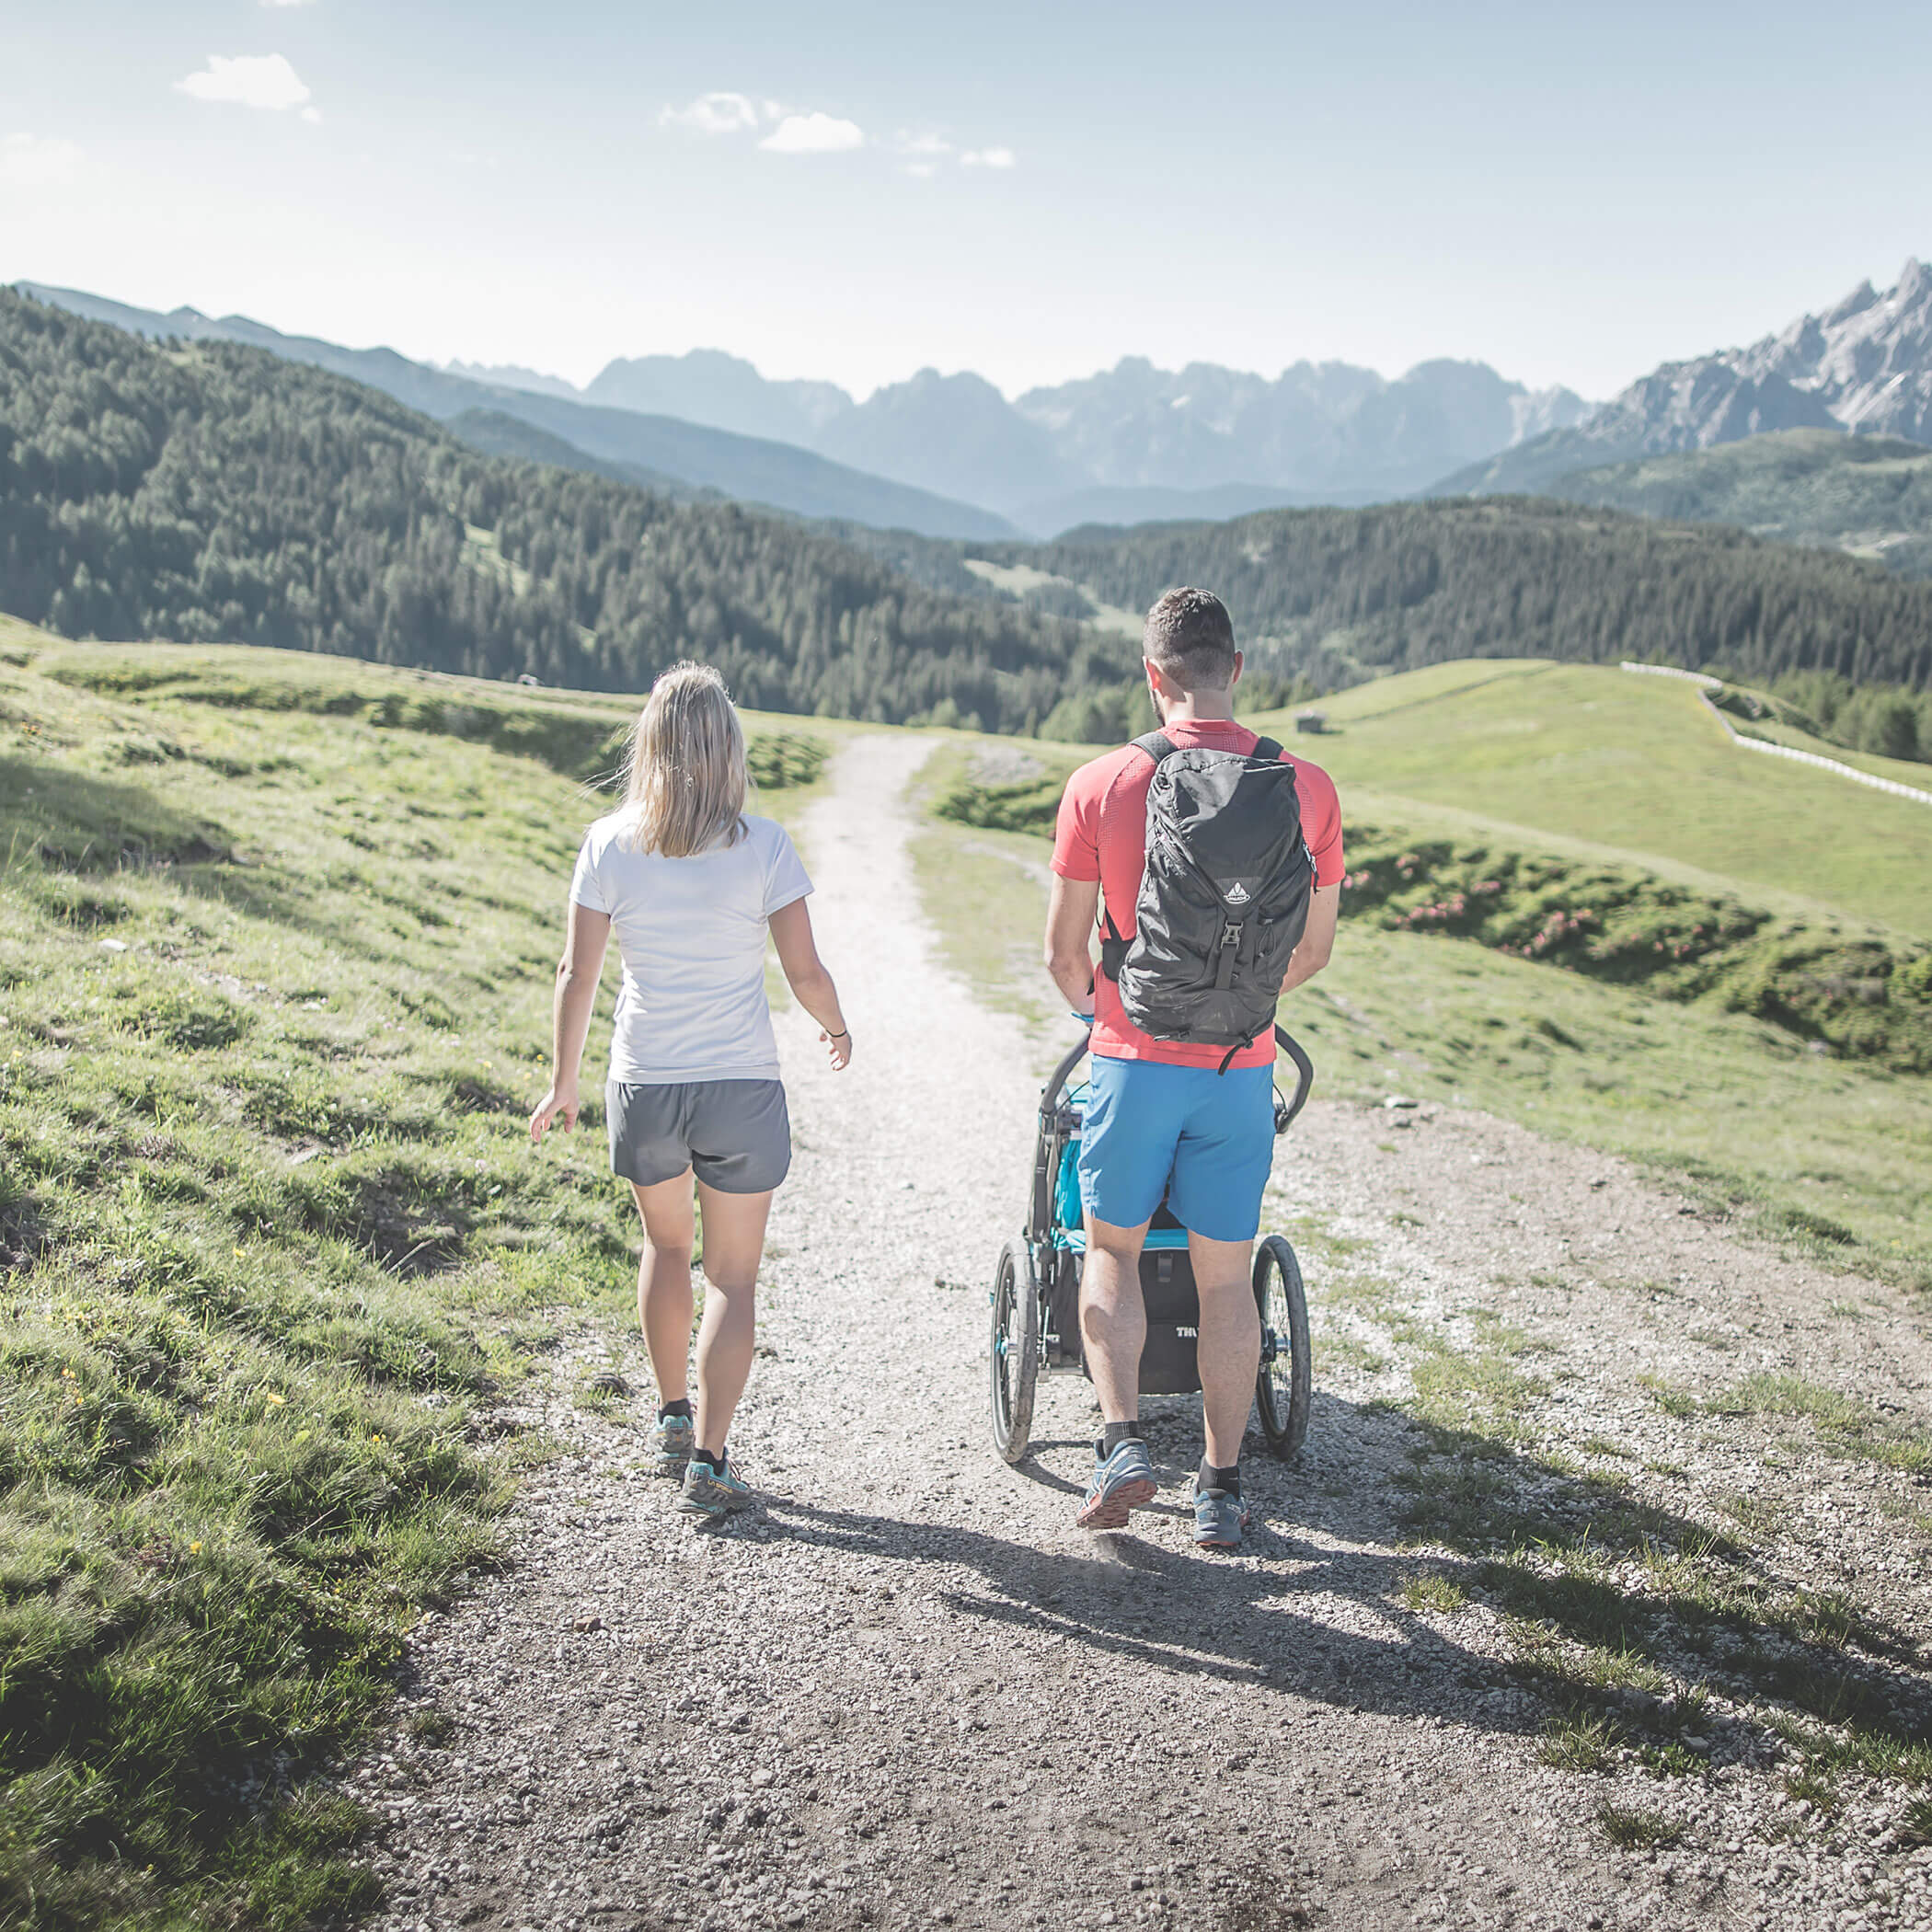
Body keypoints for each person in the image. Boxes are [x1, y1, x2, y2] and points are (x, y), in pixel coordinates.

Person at [1043, 589, 1342, 1549]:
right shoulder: (1307, 787)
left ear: (1153, 675)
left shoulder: (1102, 783)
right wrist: (1239, 1009)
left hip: (1134, 1060)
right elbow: (1314, 951)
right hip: (1239, 1066)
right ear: (1237, 671)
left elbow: (1062, 954)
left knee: (1113, 1252)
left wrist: (1115, 1016)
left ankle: (1124, 1442)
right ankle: (1220, 1487)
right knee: (1226, 1281)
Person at [530, 662, 850, 1520]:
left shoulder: (608, 842)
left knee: (667, 1250)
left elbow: (577, 973)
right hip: (739, 1086)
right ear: (728, 749)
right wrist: (837, 1026)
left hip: (644, 1083)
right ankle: (709, 1461)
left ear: (651, 747)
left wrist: (563, 1080)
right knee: (732, 1279)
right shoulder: (763, 844)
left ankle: (671, 1418)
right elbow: (805, 969)